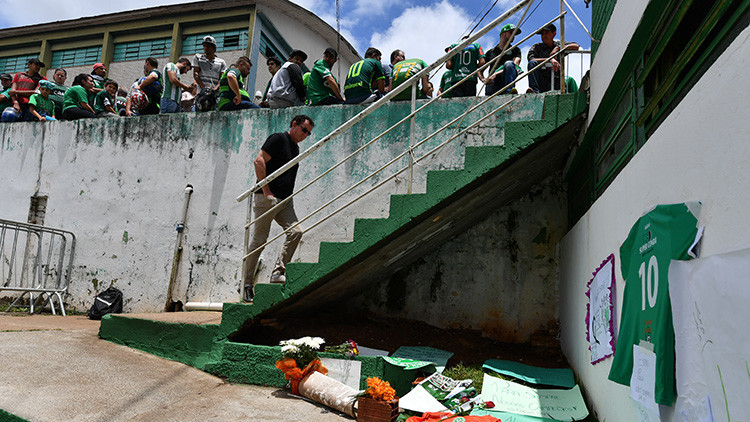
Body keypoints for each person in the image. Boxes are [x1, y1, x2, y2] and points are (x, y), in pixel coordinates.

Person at [242, 114, 314, 302]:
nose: (305, 134)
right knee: (259, 240)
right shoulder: (278, 138)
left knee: (296, 232)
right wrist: (266, 191)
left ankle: (278, 272)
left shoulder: (295, 148)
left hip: (285, 201)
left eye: (309, 133)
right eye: (304, 129)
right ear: (294, 124)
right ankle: (247, 285)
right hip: (267, 198)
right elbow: (259, 161)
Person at [527, 23, 579, 93]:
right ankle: (534, 92)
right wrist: (550, 60)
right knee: (532, 63)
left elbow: (576, 46)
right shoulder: (537, 47)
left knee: (569, 80)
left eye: (546, 33)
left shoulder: (557, 45)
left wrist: (558, 48)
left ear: (554, 34)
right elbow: (531, 59)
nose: (543, 36)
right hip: (541, 82)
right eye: (542, 34)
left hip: (556, 83)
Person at [484, 24, 523, 95]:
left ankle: (509, 92)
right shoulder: (491, 52)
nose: (513, 36)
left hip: (505, 81)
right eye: (511, 33)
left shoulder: (515, 50)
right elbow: (480, 68)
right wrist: (483, 79)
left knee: (509, 64)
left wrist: (496, 73)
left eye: (514, 34)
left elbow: (515, 65)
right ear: (503, 34)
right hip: (493, 83)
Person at [192, 35, 227, 111]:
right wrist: (204, 87)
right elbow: (196, 74)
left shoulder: (221, 62)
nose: (205, 48)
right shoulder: (198, 58)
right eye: (204, 46)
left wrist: (214, 89)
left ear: (214, 48)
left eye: (208, 46)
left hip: (214, 97)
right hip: (200, 94)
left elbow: (222, 78)